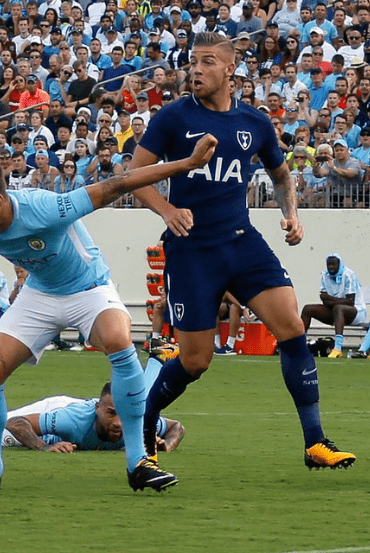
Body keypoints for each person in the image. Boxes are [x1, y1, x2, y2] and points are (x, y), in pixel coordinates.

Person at [0, 136, 217, 492]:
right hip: (40, 293)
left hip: (88, 287)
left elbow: (116, 184)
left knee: (121, 342)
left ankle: (138, 462)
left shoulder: (46, 208)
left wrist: (185, 165)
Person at [129, 32, 355, 474]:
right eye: (193, 61)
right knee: (195, 361)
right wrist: (168, 208)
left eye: (207, 61)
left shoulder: (254, 122)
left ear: (230, 69)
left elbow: (283, 175)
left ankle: (315, 443)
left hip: (242, 241)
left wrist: (292, 214)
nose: (196, 69)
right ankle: (147, 421)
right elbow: (134, 174)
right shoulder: (173, 117)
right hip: (193, 252)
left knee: (291, 327)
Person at [0, 370, 185, 454]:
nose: (118, 423)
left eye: (121, 414)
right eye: (110, 413)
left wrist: (165, 444)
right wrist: (45, 447)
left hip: (60, 420)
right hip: (51, 413)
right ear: (98, 409)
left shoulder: (135, 420)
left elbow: (176, 427)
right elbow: (16, 422)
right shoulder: (74, 419)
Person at [300, 254, 366, 359]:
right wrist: (334, 300)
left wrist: (330, 299)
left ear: (339, 264)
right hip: (336, 312)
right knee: (308, 309)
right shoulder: (324, 275)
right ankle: (300, 345)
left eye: (333, 264)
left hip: (356, 313)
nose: (331, 267)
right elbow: (324, 300)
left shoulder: (348, 274)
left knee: (339, 308)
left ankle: (337, 348)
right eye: (329, 264)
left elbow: (350, 301)